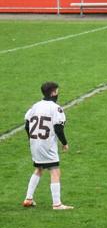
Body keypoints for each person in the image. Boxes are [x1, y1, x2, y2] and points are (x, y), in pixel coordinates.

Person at [22, 81, 72, 210]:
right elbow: (58, 129)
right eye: (57, 91)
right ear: (53, 92)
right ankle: (57, 204)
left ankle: (28, 198)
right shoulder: (56, 108)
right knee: (55, 171)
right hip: (47, 145)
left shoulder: (35, 106)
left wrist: (31, 139)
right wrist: (65, 143)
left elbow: (27, 125)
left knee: (39, 169)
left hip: (35, 143)